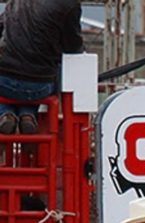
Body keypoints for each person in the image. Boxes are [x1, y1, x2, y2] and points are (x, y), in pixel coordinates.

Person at [0, 0, 83, 134]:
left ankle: (6, 113)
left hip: (4, 80)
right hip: (40, 87)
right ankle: (27, 115)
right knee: (48, 70)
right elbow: (72, 46)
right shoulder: (69, 4)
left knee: (11, 87)